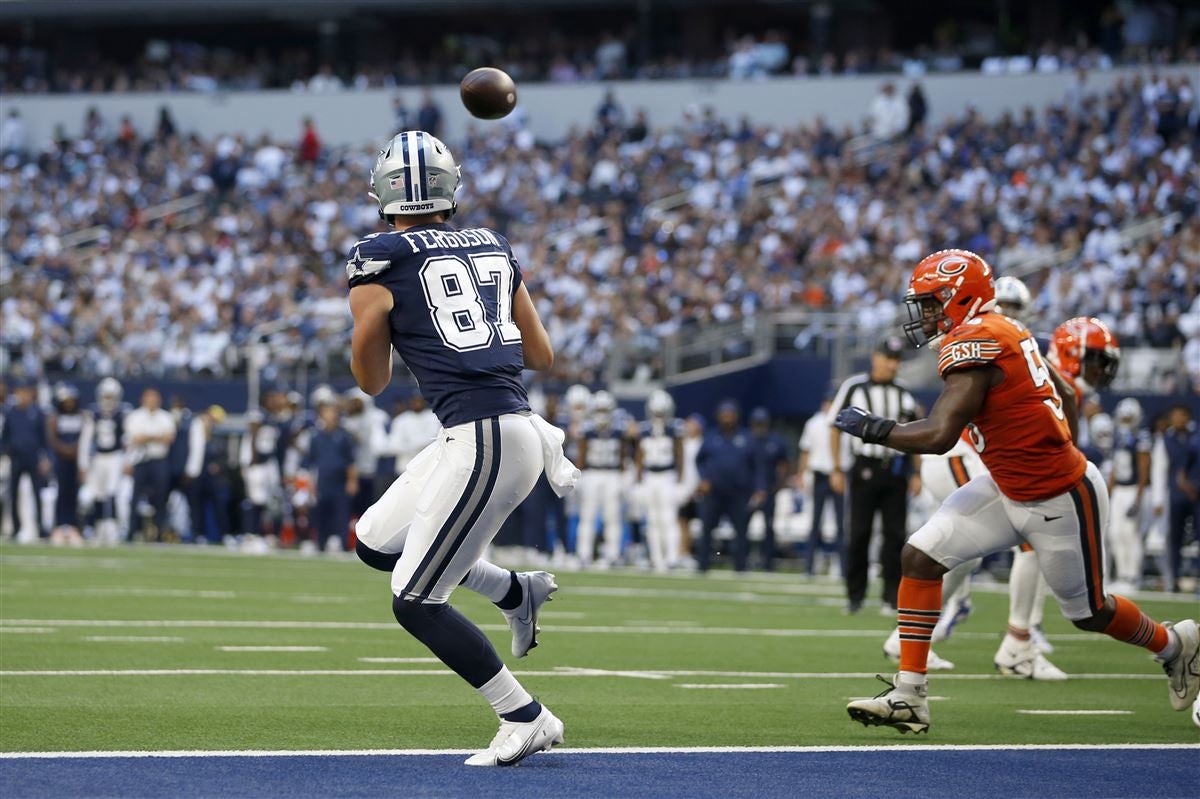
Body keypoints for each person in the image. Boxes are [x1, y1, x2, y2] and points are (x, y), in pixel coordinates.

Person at [837, 248, 1198, 734]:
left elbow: (941, 435)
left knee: (1090, 612)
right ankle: (910, 696)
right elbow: (1066, 392)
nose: (923, 315)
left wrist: (874, 428)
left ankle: (1176, 646)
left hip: (1058, 496)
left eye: (930, 303)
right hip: (1008, 485)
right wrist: (1051, 439)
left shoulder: (978, 339)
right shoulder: (1002, 326)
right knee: (920, 557)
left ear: (959, 298)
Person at [346, 129, 575, 766]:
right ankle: (512, 591)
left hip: (486, 437)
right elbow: (541, 354)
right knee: (373, 542)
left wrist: (375, 323)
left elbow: (371, 381)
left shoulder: (376, 254)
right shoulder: (493, 244)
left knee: (415, 601)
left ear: (383, 193)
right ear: (452, 188)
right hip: (493, 430)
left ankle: (524, 715)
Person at [829, 336, 921, 614]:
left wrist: (916, 471)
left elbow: (914, 432)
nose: (893, 364)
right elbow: (835, 426)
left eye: (897, 359)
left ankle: (890, 598)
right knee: (859, 533)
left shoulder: (904, 392)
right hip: (864, 467)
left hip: (895, 471)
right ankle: (854, 597)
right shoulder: (854, 387)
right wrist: (836, 467)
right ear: (875, 357)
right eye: (888, 358)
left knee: (895, 536)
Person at [695, 400, 763, 573]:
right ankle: (703, 564)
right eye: (724, 414)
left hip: (738, 492)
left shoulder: (746, 438)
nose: (727, 418)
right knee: (707, 528)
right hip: (714, 491)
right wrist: (703, 479)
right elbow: (699, 460)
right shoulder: (711, 437)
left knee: (741, 531)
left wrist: (759, 488)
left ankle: (740, 566)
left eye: (730, 414)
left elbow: (756, 465)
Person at [575, 391, 626, 568]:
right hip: (592, 474)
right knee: (587, 515)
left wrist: (623, 476)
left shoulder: (619, 429)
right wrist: (578, 476)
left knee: (612, 516)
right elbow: (581, 455)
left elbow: (622, 455)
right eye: (599, 410)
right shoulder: (587, 429)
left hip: (612, 474)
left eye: (605, 410)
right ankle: (584, 554)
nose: (602, 414)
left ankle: (613, 554)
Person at [636, 390, 684, 572]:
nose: (659, 416)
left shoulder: (675, 429)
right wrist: (638, 480)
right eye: (657, 412)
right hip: (650, 477)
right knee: (653, 520)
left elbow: (680, 454)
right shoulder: (645, 429)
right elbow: (640, 456)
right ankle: (656, 558)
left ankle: (672, 557)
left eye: (661, 412)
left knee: (669, 519)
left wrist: (680, 480)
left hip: (667, 476)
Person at [1107, 398, 1152, 593]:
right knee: (1115, 533)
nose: (1125, 421)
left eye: (1128, 417)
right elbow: (1115, 467)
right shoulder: (1118, 437)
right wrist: (1110, 489)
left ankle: (1133, 576)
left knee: (1130, 534)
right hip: (1119, 490)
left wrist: (1139, 495)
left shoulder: (1141, 437)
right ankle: (1122, 574)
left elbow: (1144, 467)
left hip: (1133, 489)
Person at [797, 392, 844, 576]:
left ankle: (842, 567)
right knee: (815, 522)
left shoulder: (843, 422)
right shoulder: (813, 423)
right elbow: (805, 450)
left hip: (838, 474)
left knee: (841, 524)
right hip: (820, 475)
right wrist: (801, 473)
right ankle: (809, 567)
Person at [79, 378, 127, 545]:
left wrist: (127, 460)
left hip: (115, 456)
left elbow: (127, 440)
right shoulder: (93, 414)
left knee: (113, 493)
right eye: (106, 396)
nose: (108, 400)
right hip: (99, 457)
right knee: (97, 494)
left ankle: (112, 528)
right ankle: (99, 527)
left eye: (111, 397)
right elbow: (85, 441)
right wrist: (83, 464)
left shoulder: (122, 413)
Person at [124, 387, 176, 541]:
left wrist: (147, 437)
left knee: (160, 498)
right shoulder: (135, 416)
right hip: (140, 460)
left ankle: (159, 532)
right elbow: (136, 438)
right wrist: (156, 436)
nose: (152, 401)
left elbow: (168, 438)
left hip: (159, 460)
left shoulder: (166, 417)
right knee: (135, 498)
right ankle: (131, 531)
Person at [306, 402, 358, 552]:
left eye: (332, 413)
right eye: (327, 413)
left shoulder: (343, 436)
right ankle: (321, 543)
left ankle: (342, 543)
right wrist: (310, 483)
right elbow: (312, 462)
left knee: (341, 513)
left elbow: (350, 461)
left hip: (340, 480)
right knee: (322, 513)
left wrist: (352, 480)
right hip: (323, 480)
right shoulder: (316, 437)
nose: (330, 417)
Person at [1, 379, 49, 540]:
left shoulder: (37, 413)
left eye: (25, 392)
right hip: (16, 458)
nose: (22, 396)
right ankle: (16, 528)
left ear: (30, 393)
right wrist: (5, 451)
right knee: (13, 494)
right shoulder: (11, 412)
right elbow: (5, 437)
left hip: (33, 458)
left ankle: (41, 528)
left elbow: (44, 439)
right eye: (20, 392)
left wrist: (45, 458)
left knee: (37, 494)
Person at [1161, 404, 1196, 593]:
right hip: (1175, 495)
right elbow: (1162, 468)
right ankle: (1173, 578)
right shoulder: (1166, 439)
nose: (1178, 419)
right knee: (1175, 538)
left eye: (1181, 416)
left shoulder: (1195, 437)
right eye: (1175, 416)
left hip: (1196, 494)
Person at [749, 407, 789, 572]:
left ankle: (768, 562)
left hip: (770, 490)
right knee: (742, 526)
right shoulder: (746, 440)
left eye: (762, 423)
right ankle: (742, 561)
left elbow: (784, 464)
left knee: (769, 527)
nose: (759, 426)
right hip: (748, 491)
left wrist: (778, 484)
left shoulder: (775, 442)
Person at [185, 406, 231, 545]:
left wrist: (218, 466)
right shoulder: (194, 432)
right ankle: (197, 534)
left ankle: (224, 534)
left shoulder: (218, 437)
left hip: (214, 478)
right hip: (196, 475)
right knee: (195, 506)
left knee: (219, 506)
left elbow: (224, 457)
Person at [47, 384, 85, 543]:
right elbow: (52, 437)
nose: (69, 403)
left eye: (71, 400)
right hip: (61, 460)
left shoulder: (82, 416)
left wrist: (75, 450)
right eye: (66, 400)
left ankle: (73, 526)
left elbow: (85, 437)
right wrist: (63, 449)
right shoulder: (56, 417)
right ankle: (59, 526)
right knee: (61, 492)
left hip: (76, 460)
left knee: (74, 493)